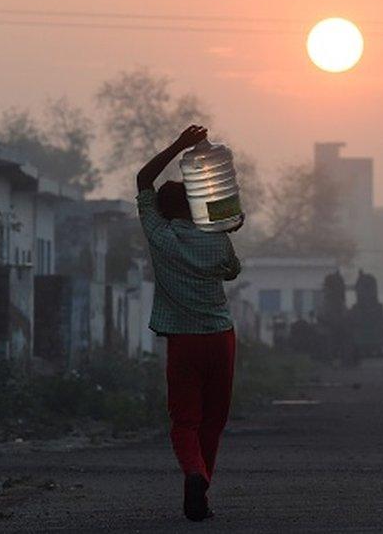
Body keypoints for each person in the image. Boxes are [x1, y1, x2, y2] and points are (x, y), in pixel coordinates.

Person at [135, 125, 243, 521]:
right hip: (220, 337)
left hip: (183, 341)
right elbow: (232, 271)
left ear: (162, 210)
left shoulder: (159, 234)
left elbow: (144, 179)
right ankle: (202, 489)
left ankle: (193, 473)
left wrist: (179, 145)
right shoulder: (215, 237)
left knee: (185, 420)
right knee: (213, 421)